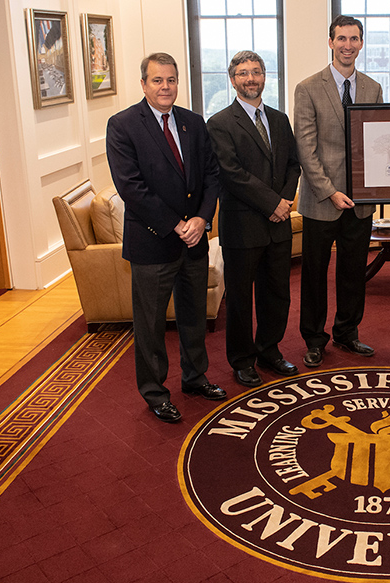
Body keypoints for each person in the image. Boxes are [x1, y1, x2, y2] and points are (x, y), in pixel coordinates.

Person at [106, 53, 226, 423]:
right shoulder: (123, 125)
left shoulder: (192, 122)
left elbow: (211, 175)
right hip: (152, 243)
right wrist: (177, 224)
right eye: (157, 80)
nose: (165, 87)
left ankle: (194, 377)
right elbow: (132, 188)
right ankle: (155, 392)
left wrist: (202, 219)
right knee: (151, 324)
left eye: (171, 80)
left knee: (192, 317)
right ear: (143, 84)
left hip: (194, 241)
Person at [207, 51, 301, 388]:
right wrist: (272, 203)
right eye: (244, 73)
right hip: (242, 226)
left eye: (257, 72)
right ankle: (243, 360)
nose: (251, 79)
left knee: (276, 294)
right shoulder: (218, 123)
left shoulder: (279, 119)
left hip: (278, 226)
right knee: (241, 300)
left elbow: (293, 164)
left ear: (265, 77)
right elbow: (232, 174)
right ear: (232, 80)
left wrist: (285, 201)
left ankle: (269, 351)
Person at [294, 15, 383, 369]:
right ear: (330, 42)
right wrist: (330, 192)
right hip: (321, 201)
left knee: (352, 271)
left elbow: (375, 143)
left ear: (361, 44)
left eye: (355, 39)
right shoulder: (307, 88)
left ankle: (348, 332)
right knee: (315, 273)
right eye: (341, 38)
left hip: (360, 202)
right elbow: (305, 148)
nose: (348, 45)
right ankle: (314, 339)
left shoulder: (372, 88)